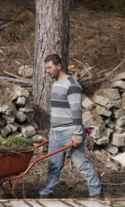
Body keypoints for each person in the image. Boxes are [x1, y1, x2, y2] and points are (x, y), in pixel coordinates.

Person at [38, 54, 104, 199]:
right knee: (53, 167)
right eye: (46, 68)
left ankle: (96, 193)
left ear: (59, 66)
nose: (47, 71)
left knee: (83, 166)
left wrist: (78, 134)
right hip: (55, 133)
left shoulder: (72, 85)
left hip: (69, 133)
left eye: (49, 67)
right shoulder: (55, 85)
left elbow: (76, 112)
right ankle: (45, 194)